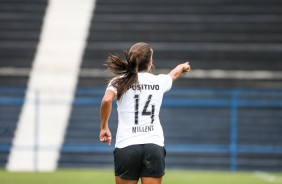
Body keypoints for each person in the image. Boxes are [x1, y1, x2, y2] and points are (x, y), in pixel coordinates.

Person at [99, 42, 190, 184]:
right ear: (150, 62)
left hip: (127, 146)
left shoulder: (119, 81)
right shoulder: (159, 81)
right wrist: (181, 67)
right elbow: (173, 75)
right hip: (153, 145)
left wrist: (104, 127)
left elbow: (106, 100)